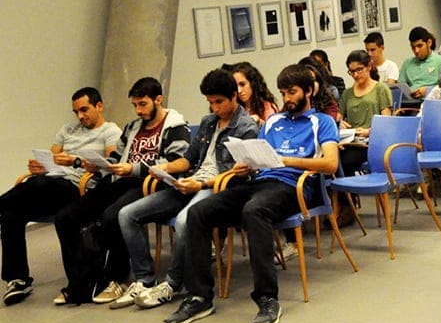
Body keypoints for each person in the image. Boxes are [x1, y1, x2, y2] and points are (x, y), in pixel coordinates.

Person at [166, 64, 341, 323]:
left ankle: (267, 298)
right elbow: (258, 152)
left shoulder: (322, 121)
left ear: (308, 91)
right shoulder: (273, 121)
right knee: (198, 212)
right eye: (283, 93)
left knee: (254, 210)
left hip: (293, 187)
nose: (287, 99)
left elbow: (330, 163)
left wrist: (284, 161)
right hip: (260, 182)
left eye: (292, 92)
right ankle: (200, 296)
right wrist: (246, 163)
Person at [115, 69, 259, 310]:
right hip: (189, 181)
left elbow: (237, 174)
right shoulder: (208, 122)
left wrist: (201, 184)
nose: (215, 108)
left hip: (216, 187)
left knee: (184, 220)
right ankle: (145, 279)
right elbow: (189, 160)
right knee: (127, 214)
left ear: (235, 96)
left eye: (219, 102)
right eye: (210, 102)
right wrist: (164, 169)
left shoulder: (246, 127)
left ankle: (173, 282)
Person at [55, 77, 190, 305]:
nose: (138, 110)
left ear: (158, 99)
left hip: (150, 183)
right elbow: (116, 156)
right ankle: (78, 284)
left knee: (110, 217)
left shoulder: (175, 126)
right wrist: (99, 164)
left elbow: (177, 161)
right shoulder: (132, 126)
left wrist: (134, 168)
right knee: (66, 218)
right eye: (135, 105)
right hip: (121, 179)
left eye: (143, 104)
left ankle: (111, 279)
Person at [1, 87, 121, 306]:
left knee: (40, 184)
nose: (80, 116)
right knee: (12, 212)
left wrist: (75, 161)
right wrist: (39, 165)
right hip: (51, 185)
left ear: (99, 106)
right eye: (76, 112)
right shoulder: (68, 130)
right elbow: (51, 156)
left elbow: (110, 165)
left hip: (78, 187)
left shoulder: (110, 131)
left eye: (84, 110)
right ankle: (18, 279)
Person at [338, 50, 393, 176]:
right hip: (351, 141)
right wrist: (340, 124)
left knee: (343, 160)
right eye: (352, 72)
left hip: (372, 141)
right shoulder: (347, 94)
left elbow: (386, 121)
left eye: (359, 70)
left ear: (369, 66)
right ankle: (348, 194)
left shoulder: (380, 89)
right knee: (334, 157)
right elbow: (338, 118)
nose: (356, 75)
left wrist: (369, 131)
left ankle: (348, 194)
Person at [399, 26, 441, 101]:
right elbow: (400, 88)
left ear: (429, 43)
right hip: (410, 103)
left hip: (433, 101)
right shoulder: (407, 64)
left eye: (420, 46)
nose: (416, 51)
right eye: (413, 47)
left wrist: (428, 90)